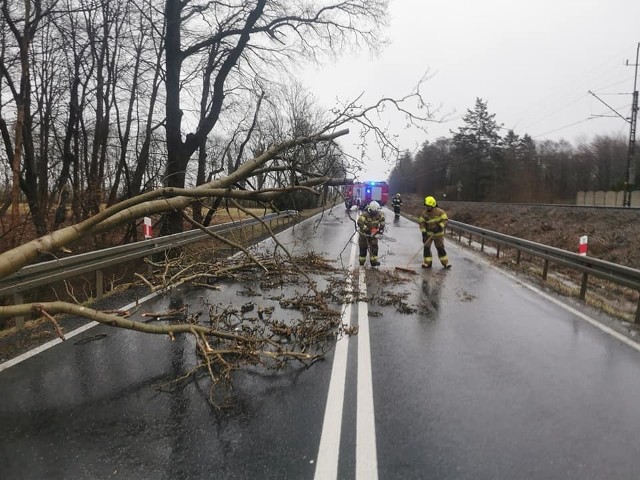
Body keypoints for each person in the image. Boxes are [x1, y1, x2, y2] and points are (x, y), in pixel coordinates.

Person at [418, 196, 451, 269]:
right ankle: (427, 263)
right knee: (426, 248)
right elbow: (421, 223)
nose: (427, 207)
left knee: (440, 248)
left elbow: (445, 220)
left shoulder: (440, 212)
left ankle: (445, 264)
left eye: (429, 206)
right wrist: (423, 233)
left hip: (438, 234)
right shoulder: (424, 214)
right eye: (426, 206)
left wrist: (440, 226)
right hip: (428, 234)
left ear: (432, 205)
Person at [357, 200, 385, 266]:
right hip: (364, 235)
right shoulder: (365, 214)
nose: (376, 212)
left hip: (374, 234)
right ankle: (362, 262)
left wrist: (381, 228)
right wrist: (366, 230)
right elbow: (360, 222)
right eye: (375, 211)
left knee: (374, 247)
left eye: (377, 211)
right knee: (363, 248)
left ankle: (373, 262)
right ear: (371, 209)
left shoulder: (379, 214)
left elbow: (382, 221)